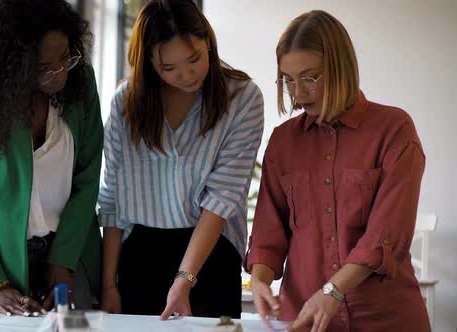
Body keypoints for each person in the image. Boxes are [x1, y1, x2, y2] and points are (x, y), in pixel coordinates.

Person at [245, 10, 430, 332]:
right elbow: (267, 231)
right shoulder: (283, 142)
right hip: (302, 319)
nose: (298, 92)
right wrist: (260, 280)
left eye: (309, 77)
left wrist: (333, 289)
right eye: (288, 80)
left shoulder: (394, 129)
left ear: (340, 68)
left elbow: (385, 234)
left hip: (384, 320)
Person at [98, 0, 264, 320]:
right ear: (148, 63)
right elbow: (112, 199)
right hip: (139, 253)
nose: (186, 75)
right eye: (168, 68)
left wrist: (184, 281)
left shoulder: (242, 99)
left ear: (208, 43)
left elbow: (222, 198)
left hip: (210, 251)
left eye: (194, 59)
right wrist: (108, 285)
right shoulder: (125, 105)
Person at [0, 0, 103, 316]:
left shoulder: (81, 84)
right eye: (43, 67)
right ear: (11, 63)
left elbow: (88, 179)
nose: (60, 74)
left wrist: (62, 260)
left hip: (71, 250)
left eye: (65, 57)